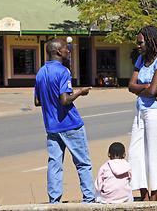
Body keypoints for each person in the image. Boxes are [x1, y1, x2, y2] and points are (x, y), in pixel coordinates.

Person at [34, 38, 95, 203]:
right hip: (70, 124)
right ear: (59, 52)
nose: (69, 50)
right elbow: (65, 100)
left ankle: (54, 201)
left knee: (54, 165)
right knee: (83, 163)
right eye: (67, 48)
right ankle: (89, 199)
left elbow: (37, 101)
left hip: (52, 127)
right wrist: (80, 92)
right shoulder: (63, 72)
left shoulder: (40, 73)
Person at [128, 25, 157, 201]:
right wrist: (145, 87)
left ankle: (154, 196)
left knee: (154, 153)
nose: (138, 46)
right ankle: (143, 195)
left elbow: (154, 91)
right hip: (141, 109)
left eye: (141, 43)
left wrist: (146, 89)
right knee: (136, 152)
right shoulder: (140, 59)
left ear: (151, 41)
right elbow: (131, 86)